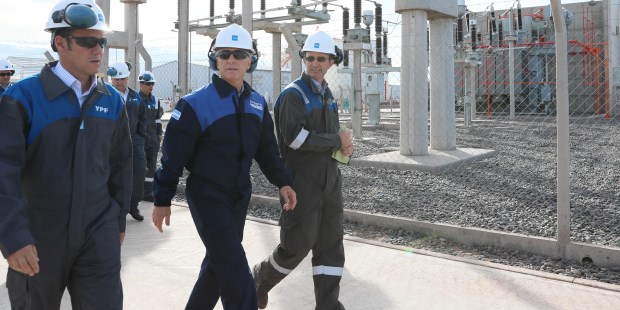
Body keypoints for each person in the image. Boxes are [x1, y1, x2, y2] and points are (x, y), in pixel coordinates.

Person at [151, 23, 297, 309]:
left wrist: (283, 181)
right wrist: (162, 198)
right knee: (233, 265)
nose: (231, 60)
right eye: (224, 53)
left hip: (239, 194)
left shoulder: (256, 104)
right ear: (215, 59)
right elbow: (173, 156)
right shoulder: (195, 104)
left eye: (239, 54)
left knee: (217, 267)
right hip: (207, 194)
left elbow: (267, 150)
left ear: (250, 61)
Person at [0, 0, 132, 309]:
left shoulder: (111, 100)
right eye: (87, 41)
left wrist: (117, 223)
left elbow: (121, 166)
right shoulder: (24, 98)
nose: (98, 49)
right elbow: (3, 170)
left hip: (98, 233)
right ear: (60, 42)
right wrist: (13, 236)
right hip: (39, 236)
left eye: (101, 41)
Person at [251, 31, 354, 310]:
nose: (315, 64)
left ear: (332, 62)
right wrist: (336, 141)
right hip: (302, 184)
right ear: (303, 59)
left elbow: (332, 135)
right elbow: (294, 139)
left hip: (330, 183)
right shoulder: (293, 95)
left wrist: (344, 149)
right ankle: (258, 280)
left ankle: (328, 305)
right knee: (296, 246)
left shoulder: (327, 95)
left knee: (331, 247)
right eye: (310, 58)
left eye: (321, 59)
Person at [109, 61, 148, 221]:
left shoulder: (135, 97)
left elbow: (142, 119)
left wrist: (140, 138)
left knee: (139, 172)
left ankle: (133, 205)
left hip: (134, 141)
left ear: (127, 78)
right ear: (111, 79)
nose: (119, 82)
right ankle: (115, 207)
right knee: (113, 175)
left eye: (122, 79)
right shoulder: (105, 95)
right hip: (112, 143)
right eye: (116, 79)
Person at [139, 70, 162, 202]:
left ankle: (147, 194)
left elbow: (158, 120)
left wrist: (159, 136)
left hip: (153, 140)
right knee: (141, 167)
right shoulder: (135, 100)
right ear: (141, 84)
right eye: (148, 84)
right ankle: (138, 192)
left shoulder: (155, 100)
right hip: (140, 140)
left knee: (151, 167)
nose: (150, 86)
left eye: (152, 83)